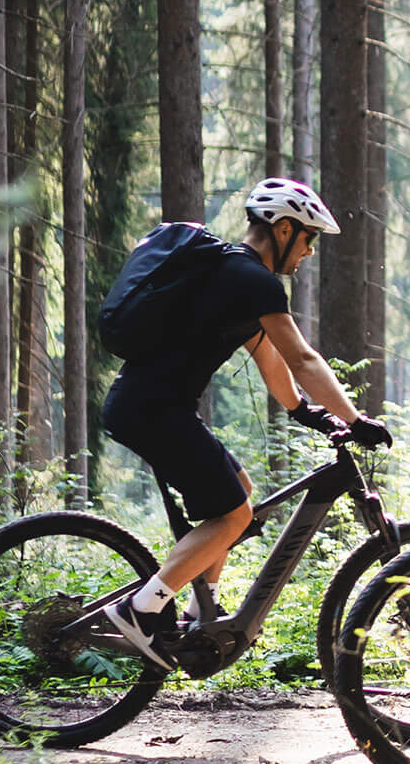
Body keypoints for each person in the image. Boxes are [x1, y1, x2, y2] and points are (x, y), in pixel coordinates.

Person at [102, 177, 391, 665]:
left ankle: (200, 618)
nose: (309, 252)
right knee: (232, 516)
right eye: (308, 239)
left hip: (147, 406)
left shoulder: (230, 278)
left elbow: (270, 358)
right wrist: (355, 418)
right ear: (283, 230)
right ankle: (141, 610)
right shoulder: (251, 280)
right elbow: (302, 358)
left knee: (239, 489)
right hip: (154, 411)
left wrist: (306, 412)